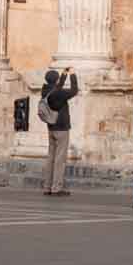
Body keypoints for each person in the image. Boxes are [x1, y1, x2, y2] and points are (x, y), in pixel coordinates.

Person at [41, 67, 79, 196]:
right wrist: (73, 75)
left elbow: (58, 87)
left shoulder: (45, 90)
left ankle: (47, 187)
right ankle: (57, 187)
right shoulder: (58, 93)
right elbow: (74, 90)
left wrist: (64, 75)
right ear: (56, 80)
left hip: (51, 127)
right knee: (60, 159)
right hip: (61, 128)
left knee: (51, 157)